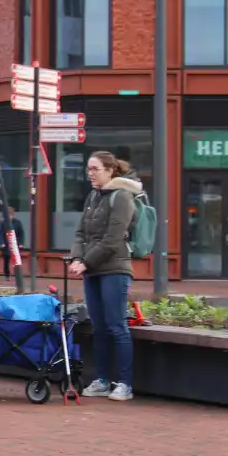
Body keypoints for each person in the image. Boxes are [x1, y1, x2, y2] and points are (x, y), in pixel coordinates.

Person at [72, 151, 140, 402]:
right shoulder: (93, 196)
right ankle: (101, 379)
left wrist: (86, 261)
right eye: (88, 169)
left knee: (116, 325)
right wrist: (78, 258)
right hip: (92, 269)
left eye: (95, 169)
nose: (90, 173)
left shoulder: (121, 197)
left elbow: (113, 239)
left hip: (114, 268)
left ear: (110, 170)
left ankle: (124, 383)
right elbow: (81, 232)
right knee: (98, 327)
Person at [0, 207, 27, 281]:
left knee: (16, 261)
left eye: (10, 215)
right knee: (6, 261)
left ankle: (17, 275)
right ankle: (7, 275)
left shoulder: (17, 223)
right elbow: (0, 234)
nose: (9, 217)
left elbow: (21, 233)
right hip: (6, 245)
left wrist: (21, 243)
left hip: (15, 244)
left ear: (12, 215)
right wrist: (2, 243)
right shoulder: (3, 223)